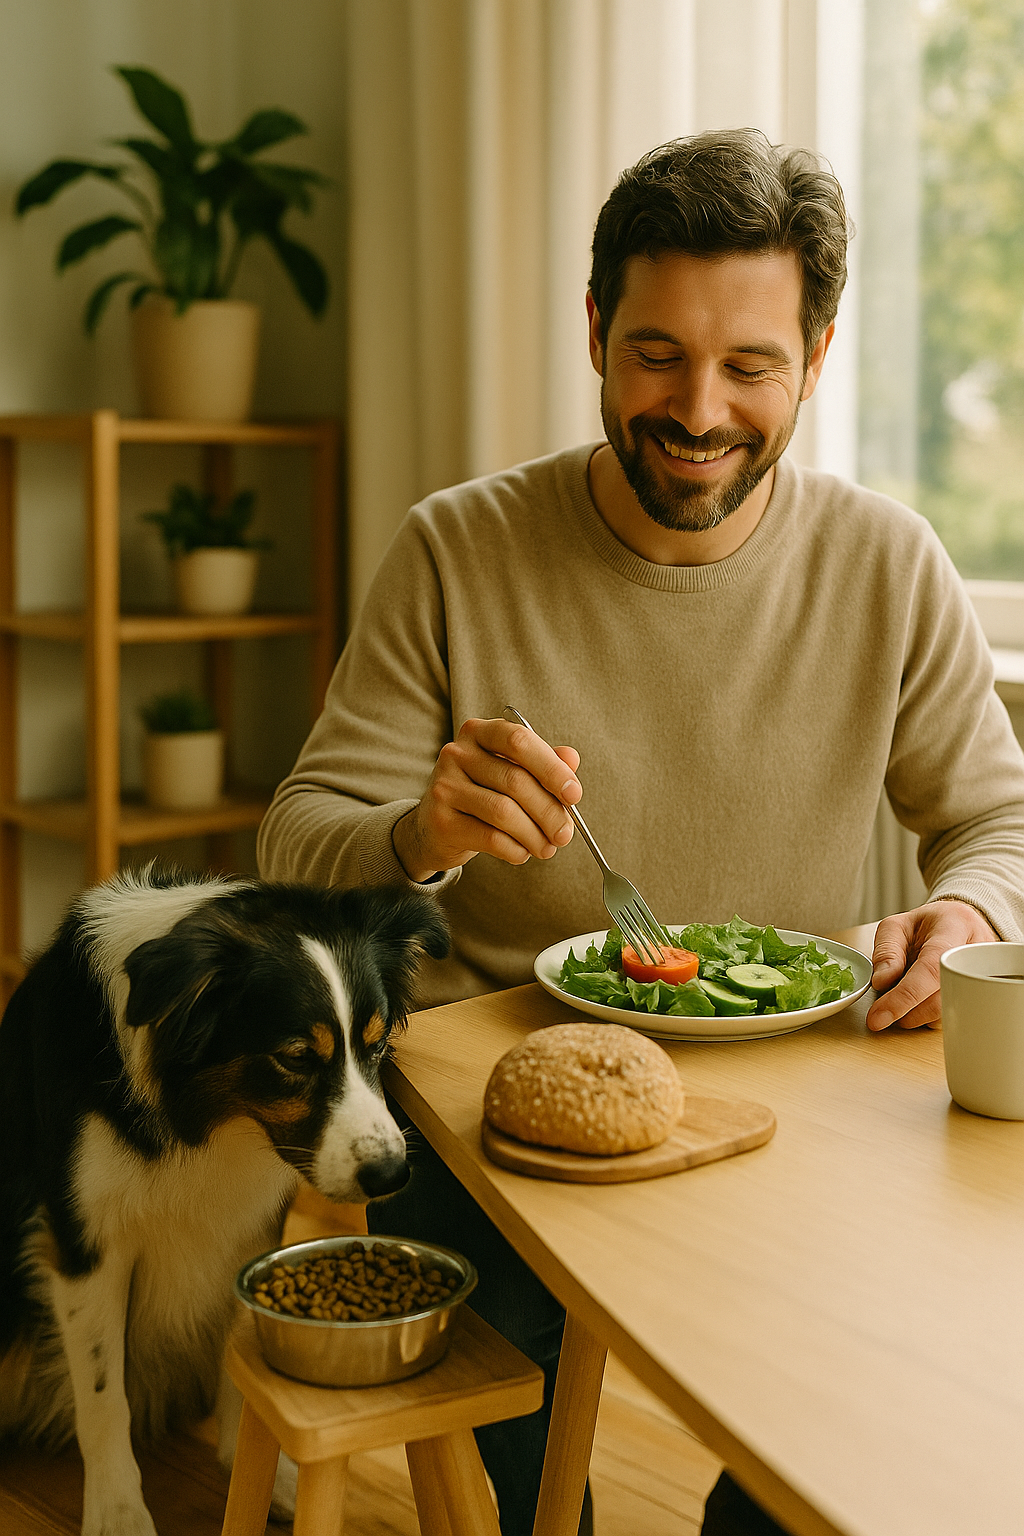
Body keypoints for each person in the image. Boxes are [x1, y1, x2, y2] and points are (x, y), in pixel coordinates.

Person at [258, 129, 1024, 1536]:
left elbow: (998, 819)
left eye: (751, 365)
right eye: (658, 352)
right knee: (522, 1469)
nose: (700, 407)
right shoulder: (455, 547)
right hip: (496, 1109)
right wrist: (420, 832)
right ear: (597, 332)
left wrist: (969, 911)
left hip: (793, 1101)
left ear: (819, 356)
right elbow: (297, 841)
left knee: (847, 1436)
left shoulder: (888, 564)